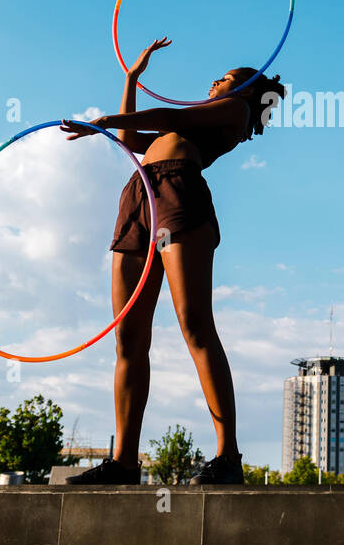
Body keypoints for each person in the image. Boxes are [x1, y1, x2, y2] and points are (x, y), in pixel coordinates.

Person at [59, 37, 286, 485]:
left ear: (245, 87)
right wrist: (130, 80)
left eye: (223, 78)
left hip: (179, 192)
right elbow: (128, 140)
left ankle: (228, 458)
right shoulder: (184, 124)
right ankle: (123, 462)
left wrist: (105, 119)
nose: (213, 81)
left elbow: (170, 116)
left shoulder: (234, 112)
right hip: (138, 195)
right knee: (127, 336)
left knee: (195, 324)